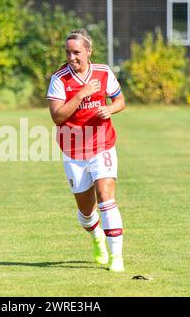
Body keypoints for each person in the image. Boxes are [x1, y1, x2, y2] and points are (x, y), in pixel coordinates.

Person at [47, 29, 126, 272]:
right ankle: (96, 238)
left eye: (77, 52)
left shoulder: (103, 72)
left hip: (102, 143)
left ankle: (116, 258)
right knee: (86, 213)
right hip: (73, 150)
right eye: (68, 52)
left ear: (88, 52)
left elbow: (120, 100)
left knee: (106, 197)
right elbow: (57, 117)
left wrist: (109, 110)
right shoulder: (59, 79)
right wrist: (82, 94)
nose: (72, 57)